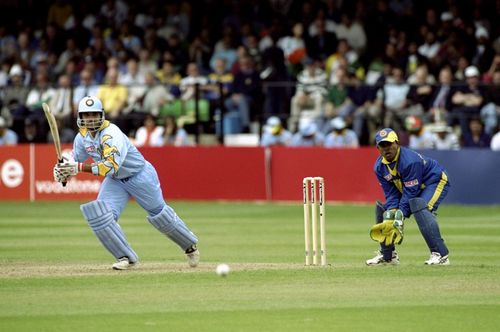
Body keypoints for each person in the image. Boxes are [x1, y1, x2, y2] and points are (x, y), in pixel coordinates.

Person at [52, 96, 199, 270]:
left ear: (102, 115)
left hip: (139, 175)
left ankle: (190, 246)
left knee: (160, 214)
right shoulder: (82, 137)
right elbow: (75, 159)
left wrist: (76, 168)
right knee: (100, 215)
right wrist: (64, 171)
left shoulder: (111, 133)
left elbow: (110, 167)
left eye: (94, 114)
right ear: (80, 117)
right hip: (115, 182)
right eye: (86, 115)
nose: (90, 119)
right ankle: (126, 258)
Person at [366, 128, 450, 266]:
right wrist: (392, 213)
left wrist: (400, 215)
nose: (386, 149)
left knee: (419, 206)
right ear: (377, 148)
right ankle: (388, 256)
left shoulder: (409, 161)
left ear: (397, 143)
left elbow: (412, 192)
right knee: (383, 210)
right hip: (409, 187)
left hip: (434, 181)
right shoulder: (379, 167)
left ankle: (441, 255)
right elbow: (391, 193)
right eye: (382, 145)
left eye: (389, 144)